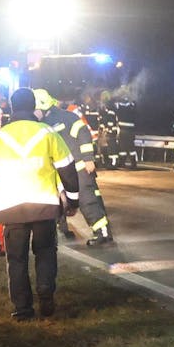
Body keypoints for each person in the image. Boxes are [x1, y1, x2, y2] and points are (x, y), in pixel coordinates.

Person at [0, 88, 80, 319]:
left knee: (16, 259)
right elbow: (68, 169)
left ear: (11, 107)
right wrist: (72, 200)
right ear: (33, 107)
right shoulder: (48, 133)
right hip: (44, 205)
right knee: (46, 251)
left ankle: (23, 310)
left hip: (10, 208)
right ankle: (45, 290)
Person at [40, 89, 114, 247]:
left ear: (40, 107)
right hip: (67, 170)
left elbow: (83, 132)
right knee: (59, 200)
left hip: (79, 169)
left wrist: (88, 159)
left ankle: (103, 234)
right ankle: (62, 229)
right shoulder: (59, 118)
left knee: (87, 202)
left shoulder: (60, 118)